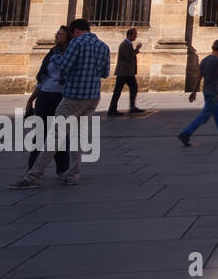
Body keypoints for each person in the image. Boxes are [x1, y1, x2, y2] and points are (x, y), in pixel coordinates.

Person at [11, 18, 111, 189]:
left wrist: (56, 58)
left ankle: (34, 176)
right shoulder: (103, 46)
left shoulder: (77, 43)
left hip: (73, 96)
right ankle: (73, 174)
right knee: (78, 137)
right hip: (93, 97)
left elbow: (64, 67)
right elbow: (105, 73)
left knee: (54, 136)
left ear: (75, 31)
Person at [24, 26, 72, 179]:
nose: (56, 36)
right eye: (56, 33)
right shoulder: (52, 53)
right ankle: (32, 169)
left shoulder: (72, 54)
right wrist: (31, 99)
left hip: (62, 97)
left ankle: (63, 169)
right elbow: (42, 78)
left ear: (68, 36)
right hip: (45, 96)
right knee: (39, 133)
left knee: (60, 135)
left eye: (60, 34)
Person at [177, 40, 218, 147]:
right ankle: (186, 133)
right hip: (213, 91)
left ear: (212, 48)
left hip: (206, 90)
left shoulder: (204, 61)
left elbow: (199, 77)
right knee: (205, 115)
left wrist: (194, 92)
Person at [107, 28, 143, 115]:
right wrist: (137, 50)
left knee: (134, 88)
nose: (136, 36)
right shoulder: (124, 44)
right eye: (135, 34)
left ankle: (132, 106)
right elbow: (128, 57)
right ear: (129, 35)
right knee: (117, 91)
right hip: (123, 73)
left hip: (128, 73)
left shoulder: (129, 44)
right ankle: (112, 109)